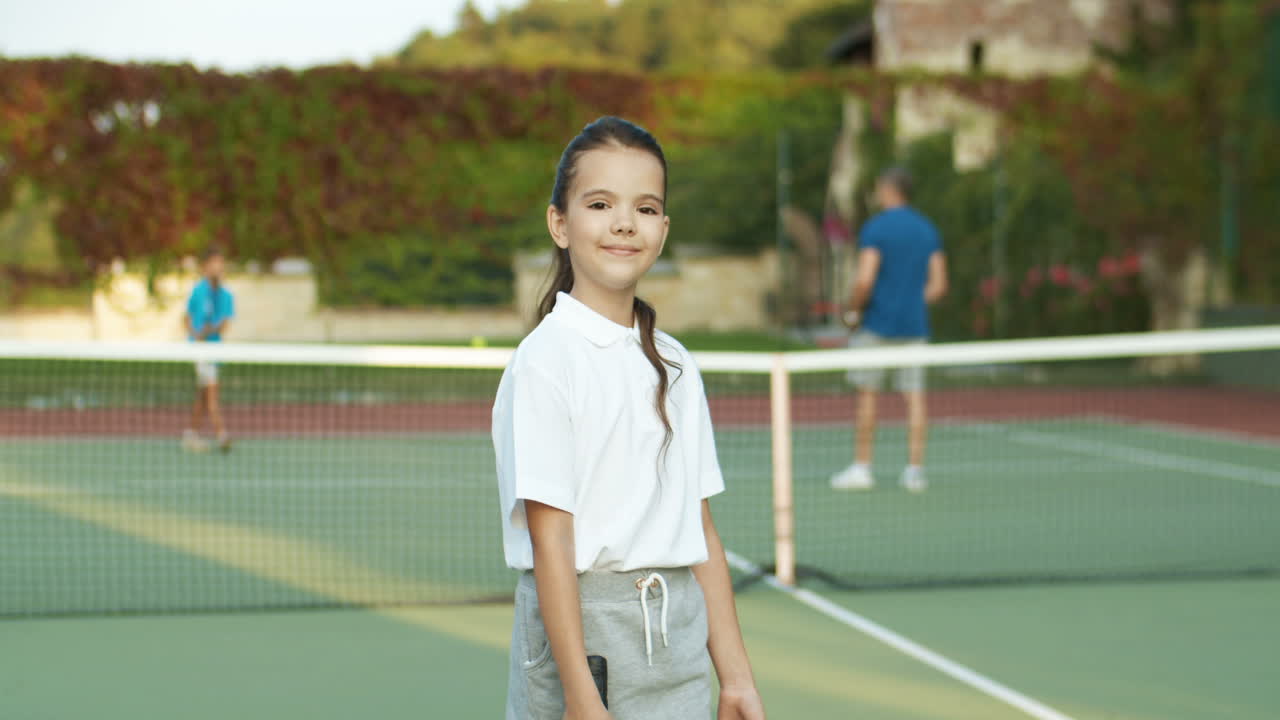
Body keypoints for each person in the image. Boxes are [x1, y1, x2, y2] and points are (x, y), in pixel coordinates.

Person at [492, 117, 765, 720]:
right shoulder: (545, 362)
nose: (623, 222)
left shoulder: (675, 363)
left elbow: (702, 532)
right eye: (599, 203)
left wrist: (737, 677)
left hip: (677, 639)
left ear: (663, 231)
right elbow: (551, 540)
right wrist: (581, 698)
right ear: (559, 224)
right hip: (583, 649)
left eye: (645, 208)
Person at [831, 168, 947, 493]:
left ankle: (863, 468)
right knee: (915, 399)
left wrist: (853, 311)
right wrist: (911, 301)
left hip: (876, 326)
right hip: (915, 328)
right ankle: (915, 472)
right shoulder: (927, 229)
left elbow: (865, 279)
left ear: (888, 190)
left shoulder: (877, 228)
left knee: (867, 395)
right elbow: (938, 286)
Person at [182, 246, 235, 453]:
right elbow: (186, 318)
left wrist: (208, 331)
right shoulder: (198, 290)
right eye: (214, 263)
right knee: (211, 394)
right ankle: (222, 435)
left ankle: (190, 434)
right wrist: (195, 336)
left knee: (203, 396)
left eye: (220, 263)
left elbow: (224, 324)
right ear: (205, 267)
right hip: (200, 351)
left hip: (215, 350)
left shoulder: (226, 295)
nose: (218, 267)